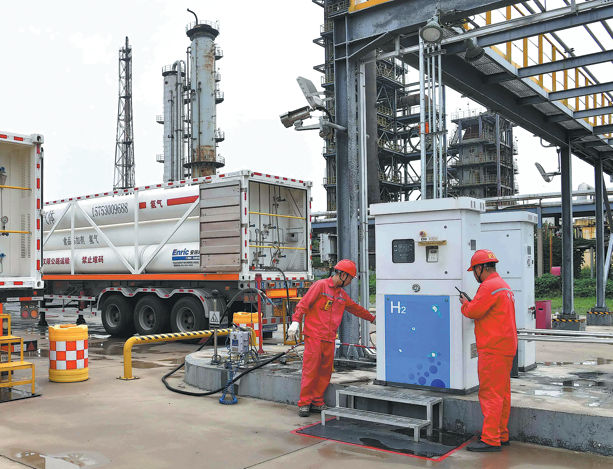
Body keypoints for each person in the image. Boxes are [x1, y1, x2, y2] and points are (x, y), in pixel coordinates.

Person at [288, 259, 376, 417]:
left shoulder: (341, 295)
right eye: (350, 278)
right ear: (343, 275)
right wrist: (295, 321)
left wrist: (372, 319)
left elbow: (356, 309)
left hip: (329, 338)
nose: (350, 282)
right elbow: (303, 304)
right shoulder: (320, 286)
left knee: (325, 372)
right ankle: (304, 403)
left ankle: (317, 401)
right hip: (314, 336)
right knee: (310, 370)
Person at [459, 249, 517, 453]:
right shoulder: (503, 285)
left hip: (493, 347)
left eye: (474, 270)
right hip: (506, 346)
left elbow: (473, 311)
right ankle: (501, 434)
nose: (474, 275)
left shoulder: (488, 286)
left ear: (480, 268)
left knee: (490, 394)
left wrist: (465, 304)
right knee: (502, 393)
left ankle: (491, 439)